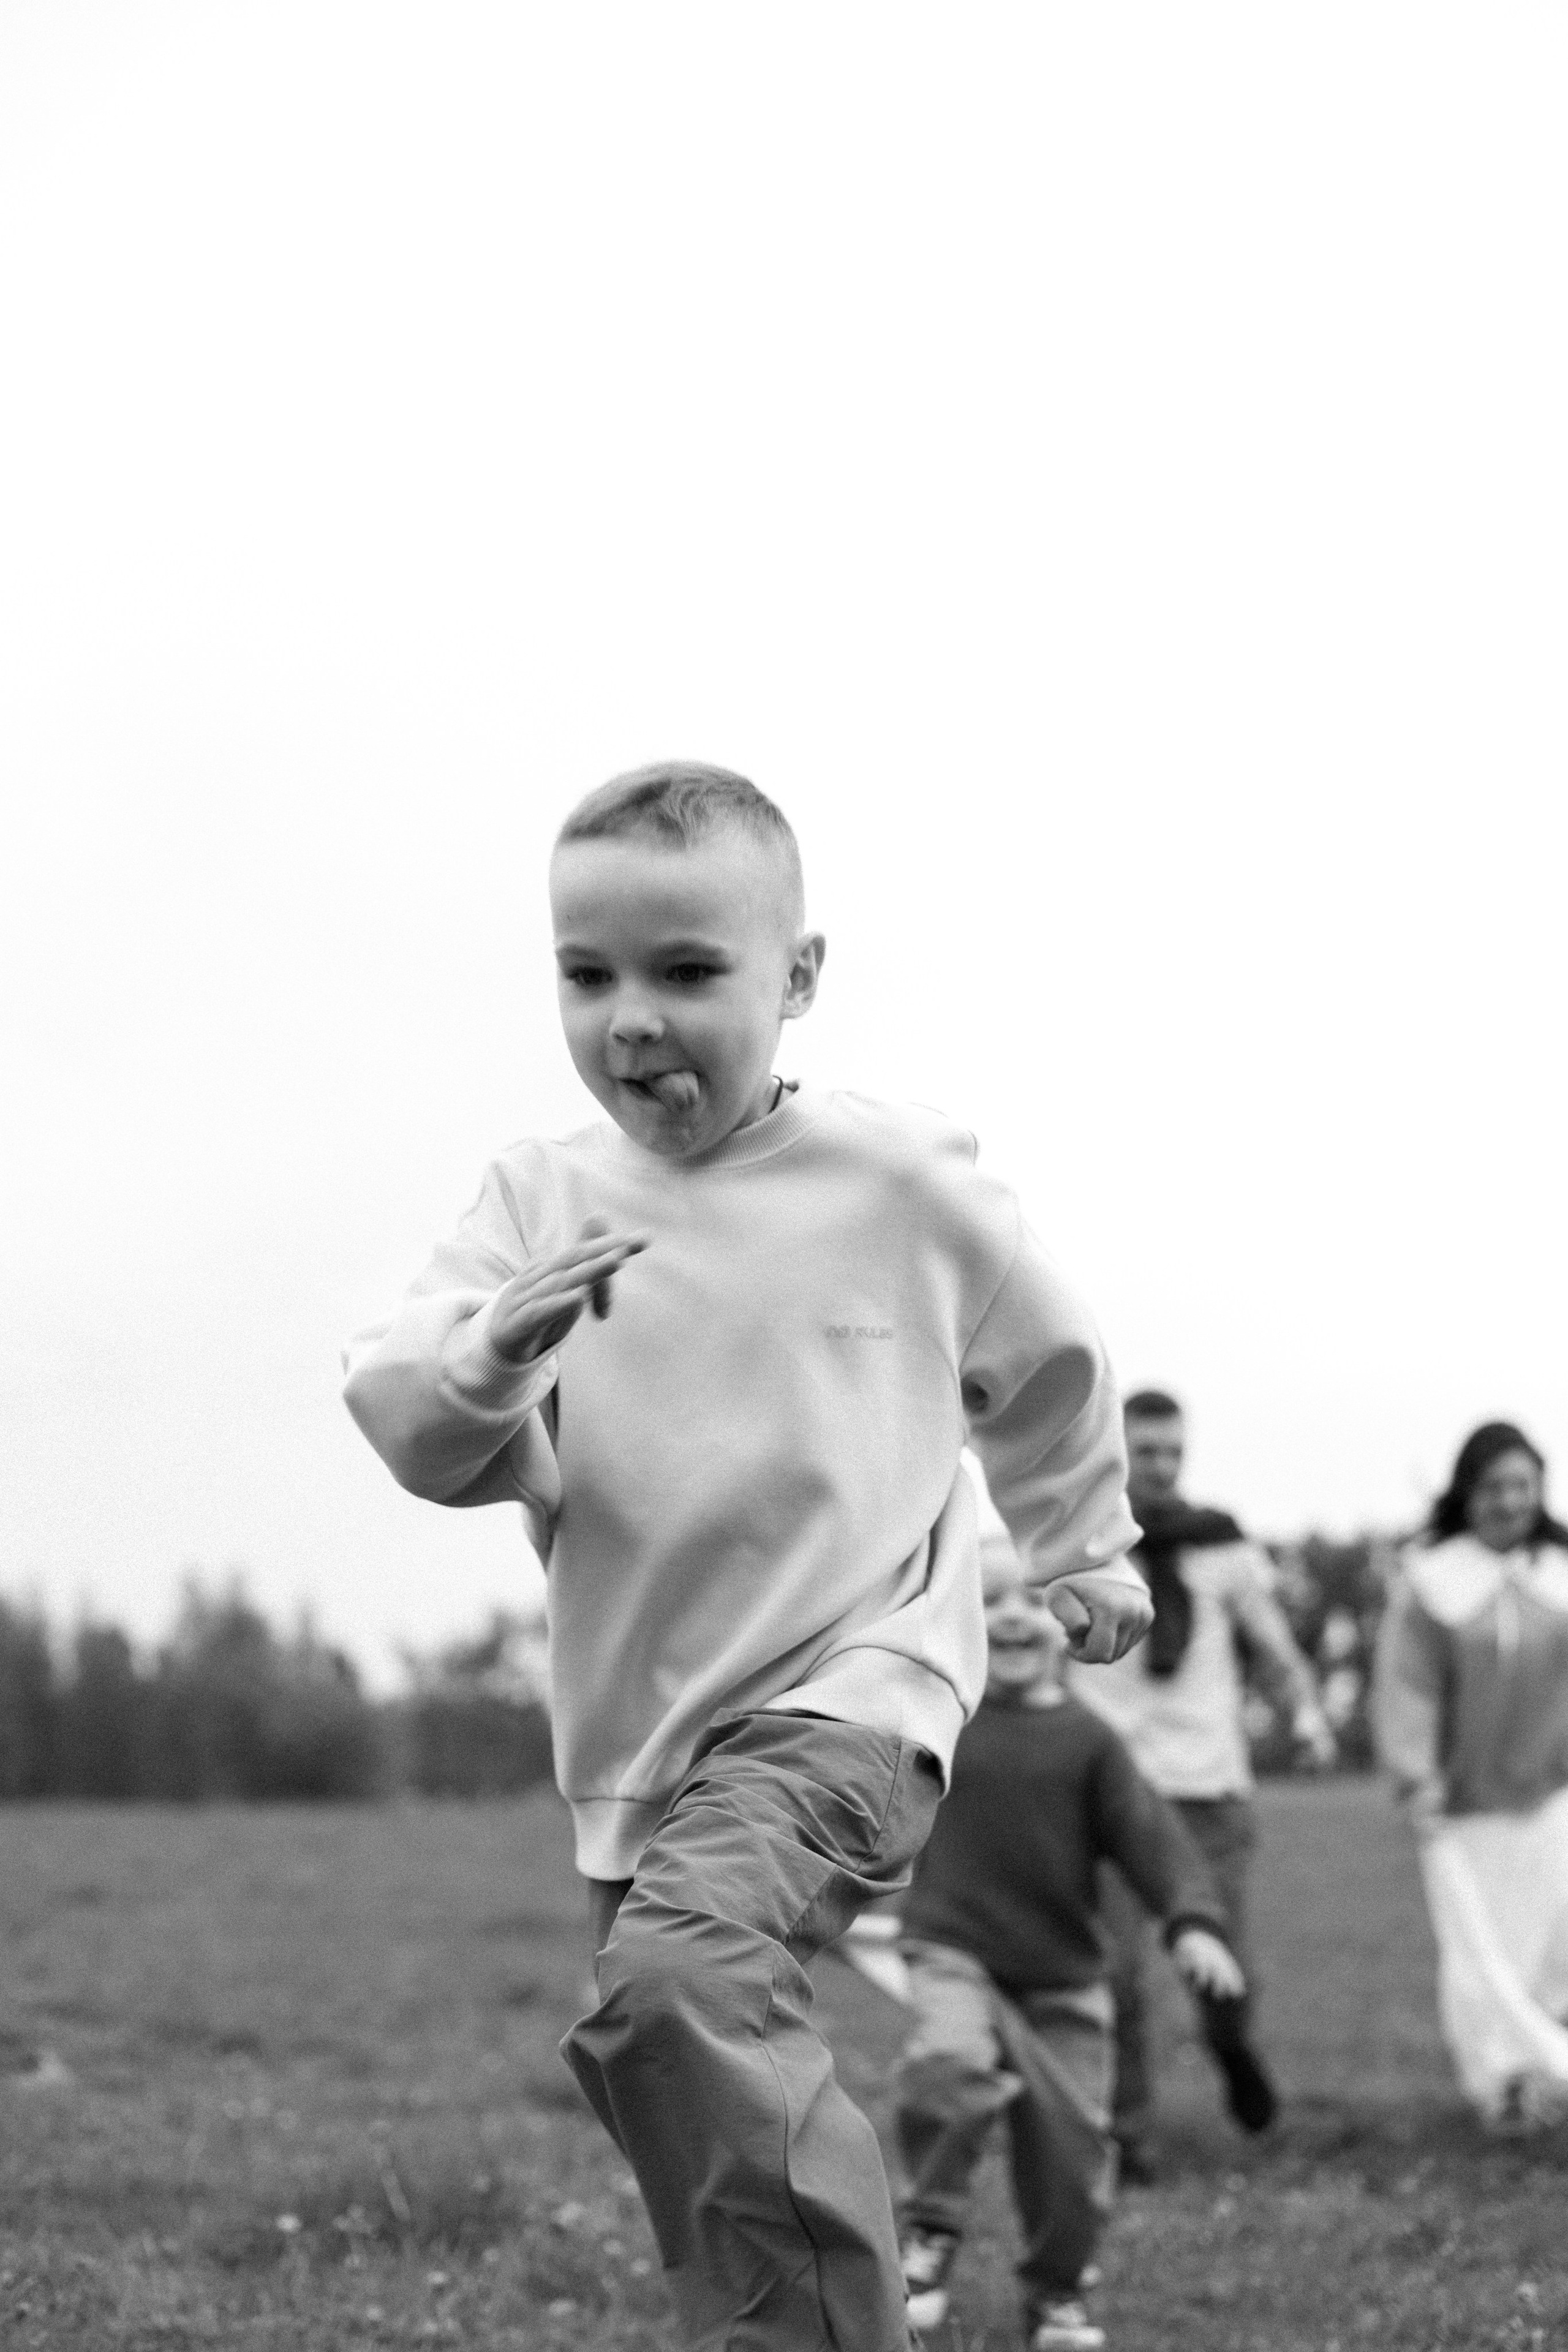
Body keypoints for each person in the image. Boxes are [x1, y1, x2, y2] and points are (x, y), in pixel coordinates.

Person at [341, 761, 1152, 2352]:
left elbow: (1047, 1356)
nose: (631, 1019)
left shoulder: (897, 1185)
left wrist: (1081, 1541)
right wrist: (491, 1351)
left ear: (798, 979)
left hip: (857, 1688)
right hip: (641, 1729)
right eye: (587, 976)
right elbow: (408, 1418)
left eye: (687, 971)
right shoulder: (537, 1202)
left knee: (682, 1980)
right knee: (662, 2055)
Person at [894, 1537, 1243, 2352]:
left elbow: (1152, 1840)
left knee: (1073, 2147)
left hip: (1062, 1976)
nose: (1014, 1617)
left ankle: (1057, 2294)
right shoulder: (938, 1723)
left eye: (1034, 1599)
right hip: (954, 1952)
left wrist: (1192, 1921)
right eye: (991, 1600)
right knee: (949, 2063)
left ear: (1076, 1619)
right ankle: (930, 2233)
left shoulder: (1091, 1741)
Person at [1073, 1389, 1335, 2178]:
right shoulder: (1076, 1540)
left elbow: (1275, 1649)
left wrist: (1308, 1717)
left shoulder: (1224, 1548)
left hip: (1208, 1789)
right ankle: (1128, 2137)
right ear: (1115, 1451)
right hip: (1111, 1794)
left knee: (1223, 1968)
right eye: (1145, 1451)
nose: (1161, 1466)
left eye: (1172, 1452)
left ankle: (1231, 2045)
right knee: (1114, 1975)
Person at [1373, 1420, 1568, 2128]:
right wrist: (1415, 1775)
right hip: (1465, 1808)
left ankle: (1547, 2073)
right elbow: (1408, 1687)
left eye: (1521, 1486)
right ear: (1467, 1494)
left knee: (1553, 1942)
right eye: (1492, 1487)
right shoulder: (1433, 1582)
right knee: (1483, 1950)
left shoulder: (1560, 1572)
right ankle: (1500, 2087)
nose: (1508, 1501)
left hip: (1553, 1796)